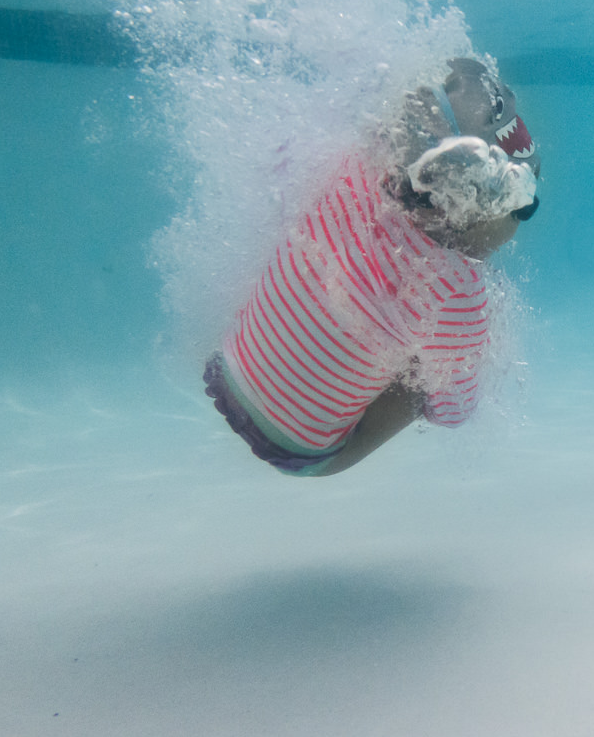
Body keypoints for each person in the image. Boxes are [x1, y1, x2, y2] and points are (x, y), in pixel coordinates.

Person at [203, 56, 540, 475]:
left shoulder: (355, 168)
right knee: (428, 376)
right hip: (297, 450)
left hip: (223, 370)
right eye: (525, 208)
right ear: (478, 211)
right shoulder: (458, 290)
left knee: (318, 249)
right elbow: (455, 409)